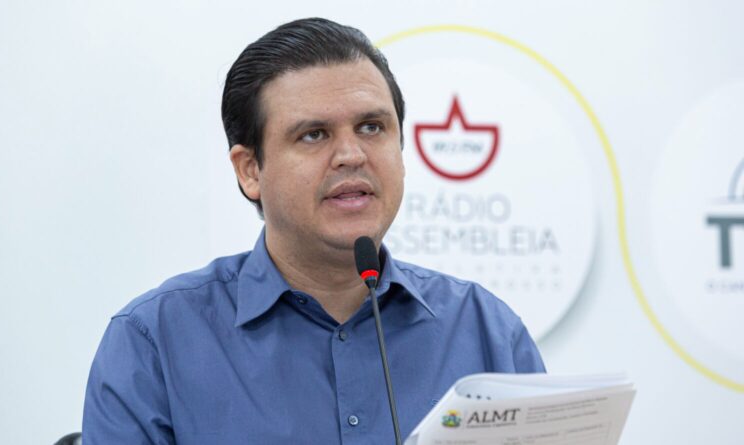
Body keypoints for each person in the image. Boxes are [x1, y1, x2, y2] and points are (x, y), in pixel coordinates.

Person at [82, 17, 545, 444]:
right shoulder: (154, 342)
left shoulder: (487, 332)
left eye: (371, 127)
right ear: (250, 170)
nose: (352, 155)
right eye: (314, 135)